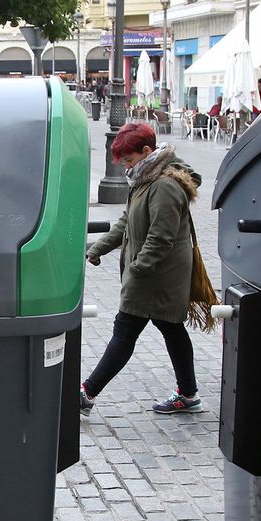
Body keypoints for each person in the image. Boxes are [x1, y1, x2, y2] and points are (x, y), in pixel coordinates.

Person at [80, 122, 204, 416]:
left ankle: (86, 392)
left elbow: (161, 238)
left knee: (125, 331)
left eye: (129, 159)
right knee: (171, 328)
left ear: (147, 151)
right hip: (154, 273)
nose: (125, 166)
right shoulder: (146, 178)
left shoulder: (164, 185)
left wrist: (137, 269)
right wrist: (97, 248)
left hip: (156, 276)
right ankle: (188, 394)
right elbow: (126, 222)